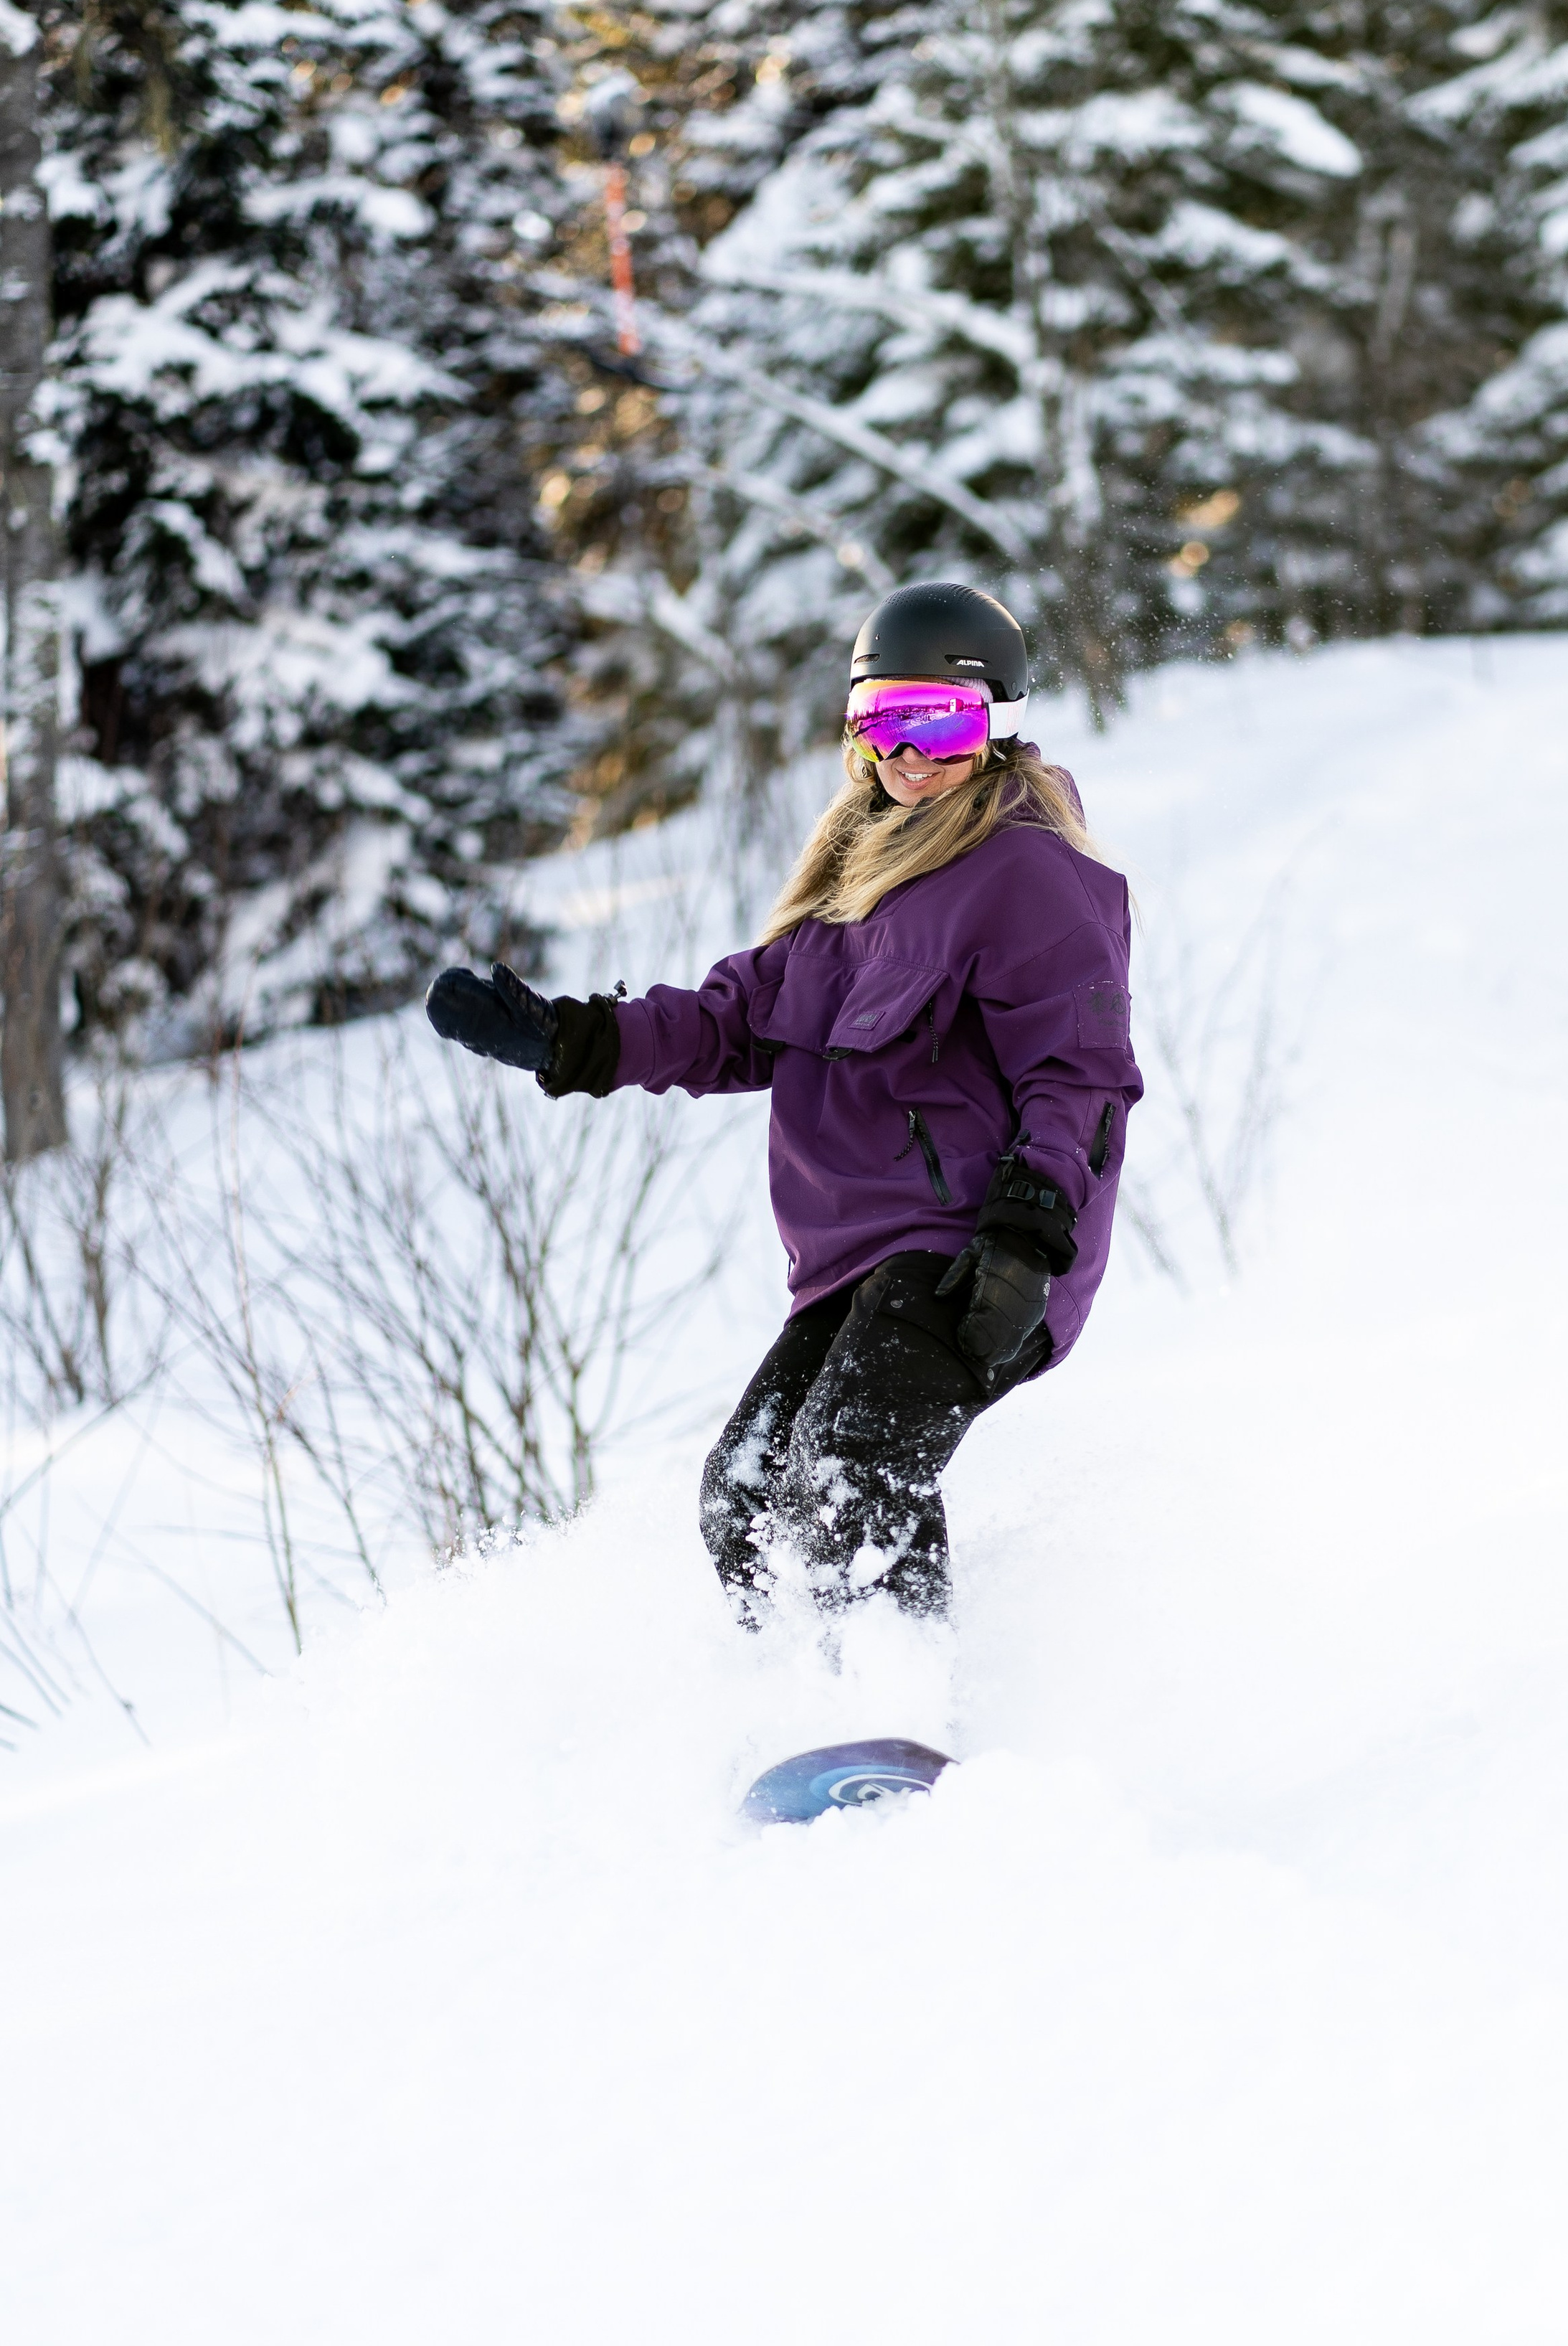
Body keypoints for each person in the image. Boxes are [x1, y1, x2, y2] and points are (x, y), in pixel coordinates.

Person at [425, 582, 1142, 1626]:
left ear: (997, 725)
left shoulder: (1024, 870)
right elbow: (726, 1022)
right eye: (884, 721)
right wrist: (569, 1039)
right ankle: (800, 1710)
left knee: (853, 1459)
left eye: (938, 722)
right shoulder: (851, 896)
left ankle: (895, 1709)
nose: (909, 754)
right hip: (855, 1262)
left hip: (974, 1248)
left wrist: (1028, 1236)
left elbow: (1079, 1072)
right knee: (744, 1496)